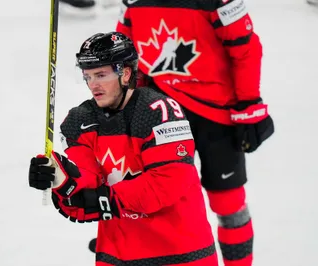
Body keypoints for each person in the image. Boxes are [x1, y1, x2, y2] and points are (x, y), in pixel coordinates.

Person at [94, 1, 274, 266]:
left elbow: (246, 47)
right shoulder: (133, 2)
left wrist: (249, 104)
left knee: (228, 202)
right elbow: (126, 53)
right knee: (163, 202)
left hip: (217, 114)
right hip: (163, 112)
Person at [29, 32, 218, 265]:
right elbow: (85, 196)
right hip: (117, 256)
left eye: (100, 75)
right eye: (87, 76)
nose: (93, 84)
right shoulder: (78, 123)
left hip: (180, 255)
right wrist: (60, 179)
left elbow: (167, 183)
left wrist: (104, 198)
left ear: (126, 73)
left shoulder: (159, 111)